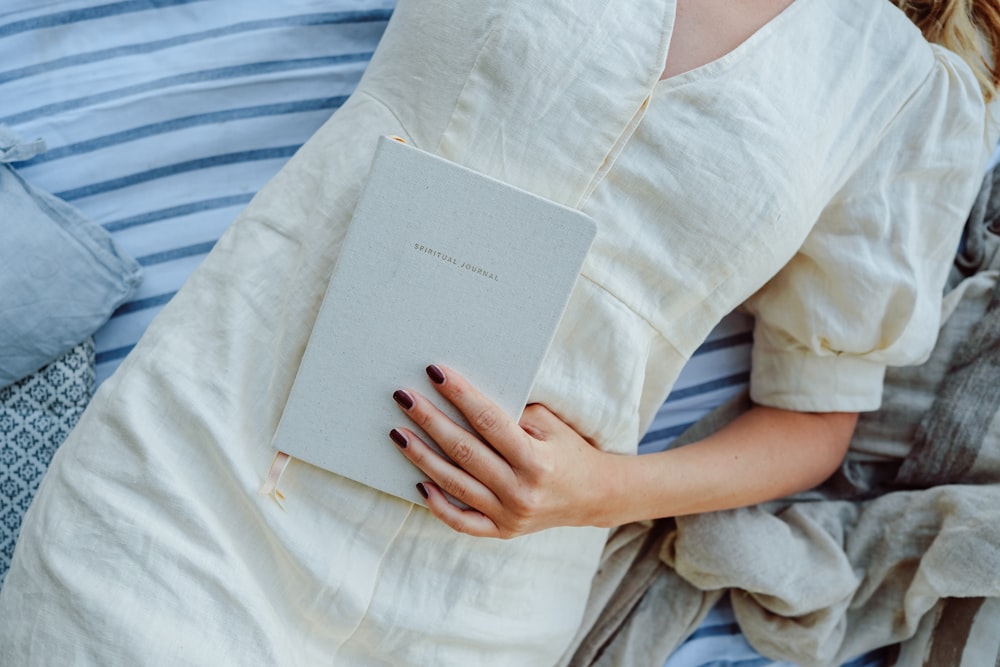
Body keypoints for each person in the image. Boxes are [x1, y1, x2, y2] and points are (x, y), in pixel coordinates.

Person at [1, 0, 998, 664]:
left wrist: (605, 491)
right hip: (195, 482)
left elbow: (814, 422)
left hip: (480, 587)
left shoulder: (904, 93)